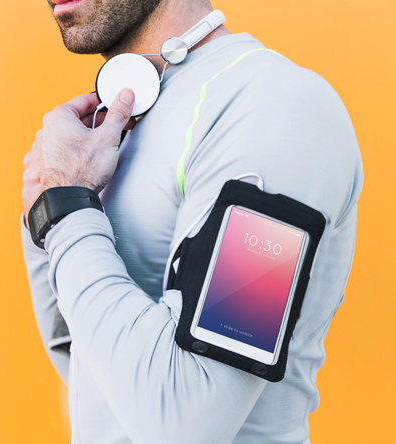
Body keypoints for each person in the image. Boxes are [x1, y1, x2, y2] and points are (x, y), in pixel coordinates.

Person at [20, 0, 363, 442]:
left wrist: (66, 208)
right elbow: (92, 373)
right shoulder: (106, 129)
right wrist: (50, 206)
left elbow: (185, 425)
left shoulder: (278, 107)